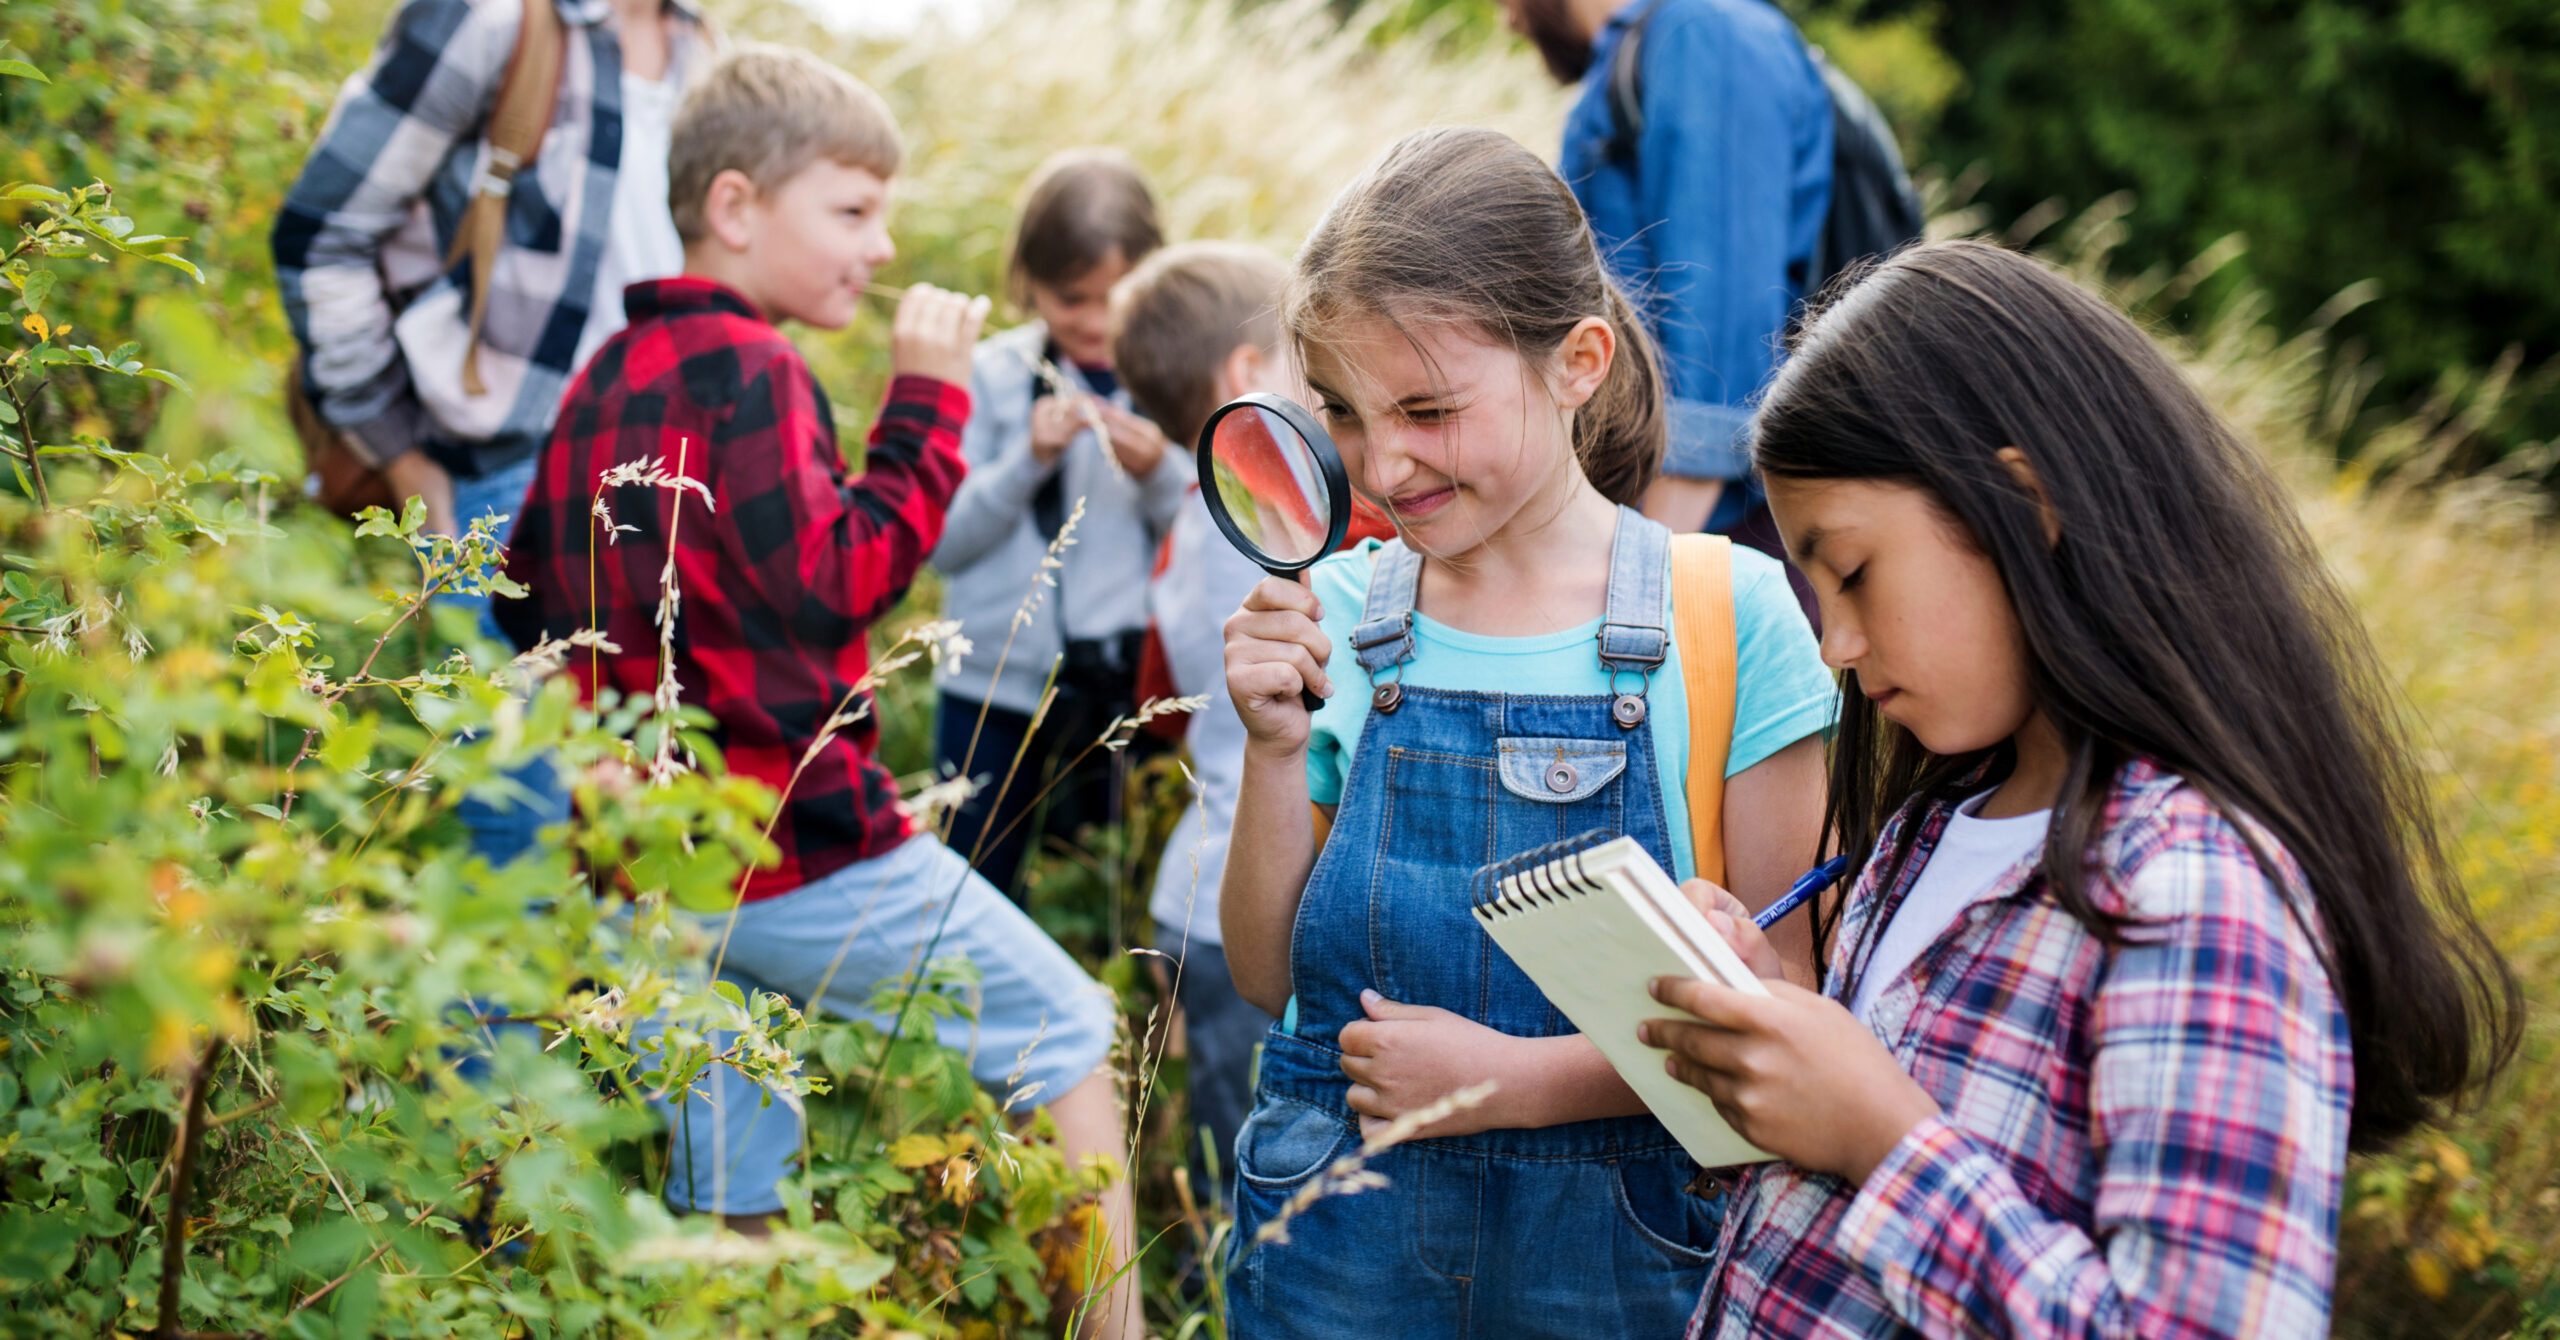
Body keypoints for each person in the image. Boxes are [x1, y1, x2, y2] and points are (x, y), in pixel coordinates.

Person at [1639, 241, 2520, 1338]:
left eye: (1853, 571)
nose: (1840, 645)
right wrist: (1770, 1037)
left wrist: (1882, 1138)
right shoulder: (1926, 831)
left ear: (2027, 498)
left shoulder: (2193, 886)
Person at [492, 49, 1141, 1337]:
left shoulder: (606, 374)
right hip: (797, 849)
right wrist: (925, 405)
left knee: (734, 1183)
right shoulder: (757, 370)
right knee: (1070, 1031)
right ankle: (1116, 1328)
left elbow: (517, 596)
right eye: (851, 211)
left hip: (652, 870)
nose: (880, 242)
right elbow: (837, 583)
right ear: (735, 208)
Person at [1213, 128, 1836, 1338]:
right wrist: (1274, 748)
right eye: (1344, 412)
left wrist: (1506, 1083)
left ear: (1577, 362)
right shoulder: (1338, 612)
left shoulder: (1729, 613)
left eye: (1431, 408)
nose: (1385, 463)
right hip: (1337, 1238)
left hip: (1618, 1254)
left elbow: (1788, 1000)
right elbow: (1265, 974)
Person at [275, 0, 715, 861]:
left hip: (661, 489)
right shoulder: (493, 20)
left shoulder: (698, 42)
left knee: (643, 839)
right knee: (523, 832)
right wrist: (402, 456)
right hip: (505, 476)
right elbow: (319, 236)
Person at [1108, 241, 1392, 1204]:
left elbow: (1157, 694)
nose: (1325, 405)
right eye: (1310, 375)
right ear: (1245, 379)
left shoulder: (1189, 524)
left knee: (1222, 1132)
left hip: (1191, 880)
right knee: (1260, 1167)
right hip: (1250, 902)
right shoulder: (1291, 525)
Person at [930, 149, 1194, 902]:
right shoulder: (990, 375)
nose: (1095, 323)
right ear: (1029, 285)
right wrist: (1025, 461)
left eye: (1117, 297)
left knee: (1123, 894)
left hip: (1131, 687)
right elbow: (944, 544)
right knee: (971, 886)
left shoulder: (1177, 380)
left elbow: (1214, 533)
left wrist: (1159, 475)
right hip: (991, 688)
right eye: (1071, 298)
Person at [1512, 0, 1833, 565]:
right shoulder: (1657, 44)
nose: (1508, 18)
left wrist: (1638, 581)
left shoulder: (1705, 31)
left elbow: (1720, 353)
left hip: (1718, 539)